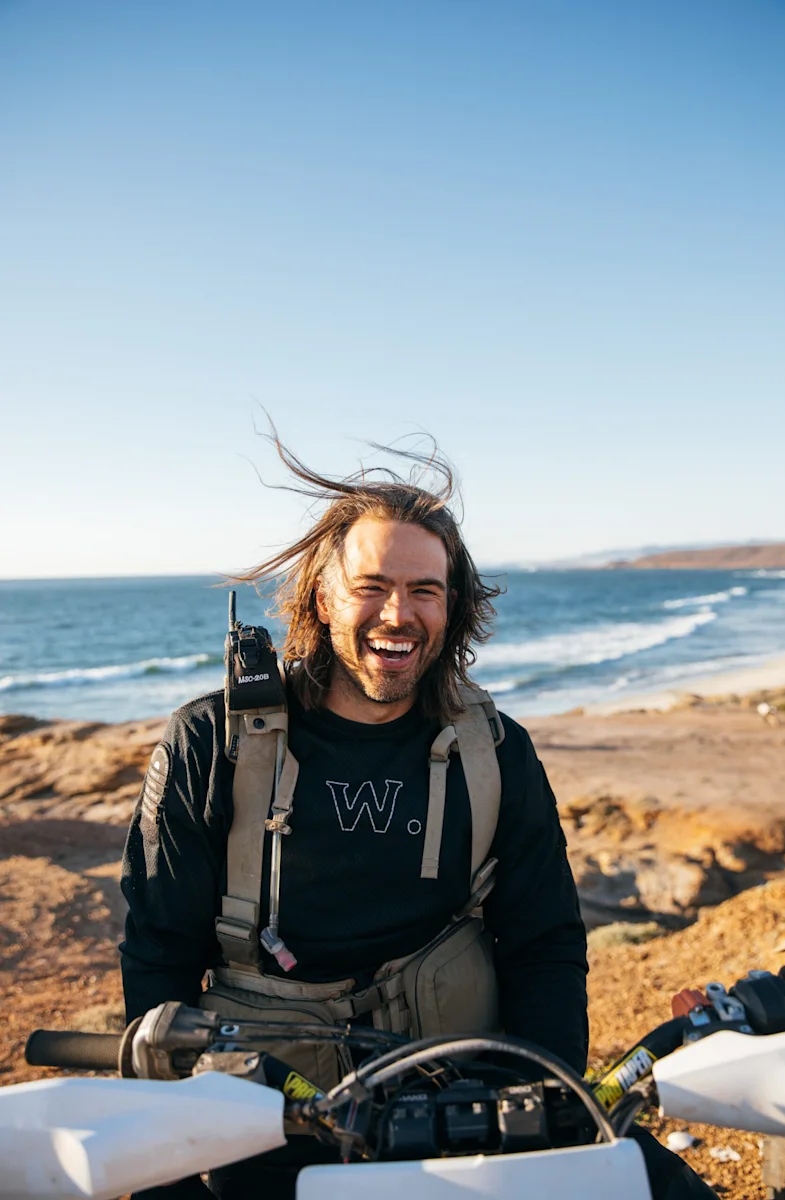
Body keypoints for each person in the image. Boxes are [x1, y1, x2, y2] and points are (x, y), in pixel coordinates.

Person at [119, 437, 715, 1199]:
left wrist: (545, 1105)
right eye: (371, 586)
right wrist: (169, 1149)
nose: (398, 614)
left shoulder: (494, 750)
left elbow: (543, 943)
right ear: (323, 598)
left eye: (424, 590)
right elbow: (159, 957)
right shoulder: (213, 744)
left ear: (453, 605)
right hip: (269, 1103)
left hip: (468, 1078)